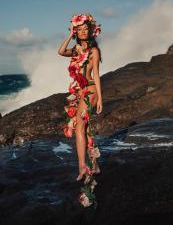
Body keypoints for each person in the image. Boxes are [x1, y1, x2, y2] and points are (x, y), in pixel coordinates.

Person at [58, 13, 103, 208]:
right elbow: (61, 51)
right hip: (79, 91)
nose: (83, 32)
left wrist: (100, 98)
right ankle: (89, 165)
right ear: (77, 31)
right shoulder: (76, 50)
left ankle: (82, 166)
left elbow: (96, 75)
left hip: (90, 90)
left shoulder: (94, 50)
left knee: (78, 127)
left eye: (86, 29)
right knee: (82, 129)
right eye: (80, 29)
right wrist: (69, 34)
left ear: (91, 31)